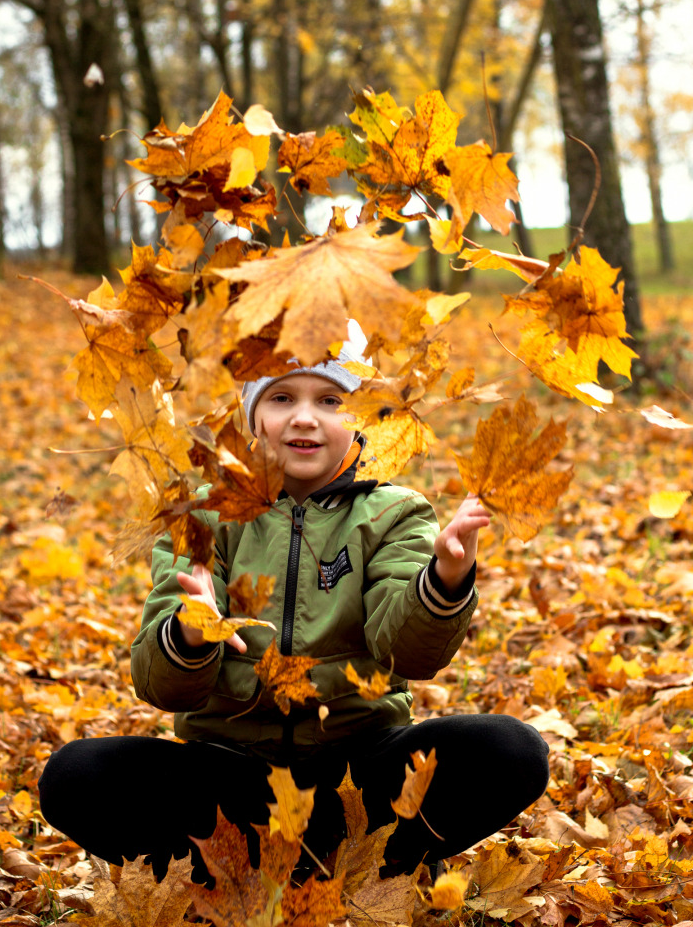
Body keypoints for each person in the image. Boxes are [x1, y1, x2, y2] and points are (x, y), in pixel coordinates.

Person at [38, 337, 549, 883]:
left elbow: (407, 653)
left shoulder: (395, 513)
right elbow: (161, 687)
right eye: (281, 397)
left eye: (330, 400)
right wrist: (190, 636)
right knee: (76, 775)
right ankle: (239, 869)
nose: (304, 418)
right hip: (231, 781)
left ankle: (364, 856)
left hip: (358, 773)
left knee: (509, 749)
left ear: (361, 417)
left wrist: (444, 580)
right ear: (252, 414)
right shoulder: (206, 512)